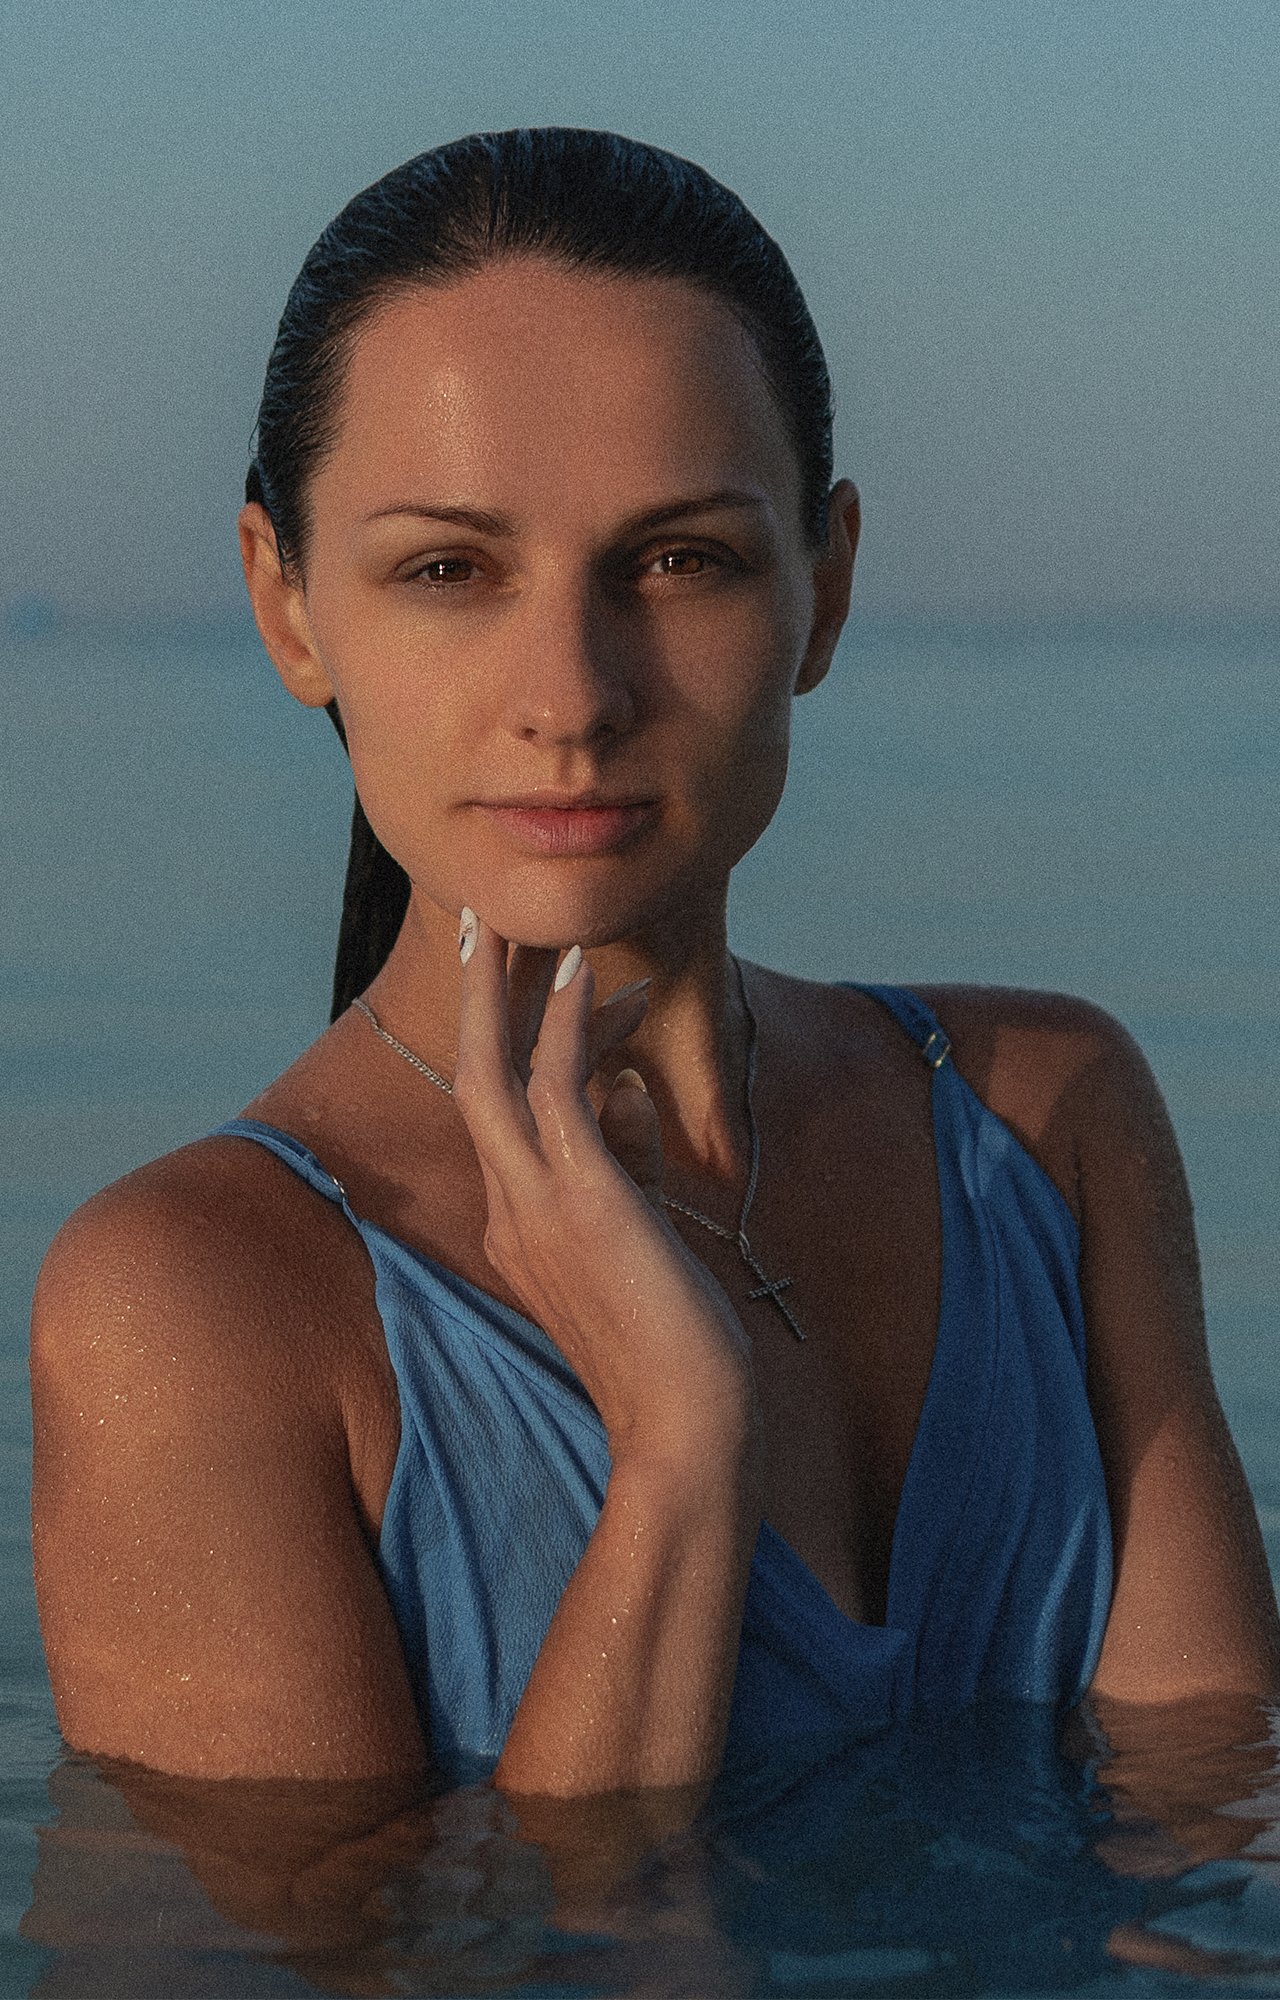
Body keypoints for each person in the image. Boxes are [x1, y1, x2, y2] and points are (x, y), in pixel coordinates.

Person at [29, 128, 1280, 1810]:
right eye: (450, 570)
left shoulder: (1046, 1122)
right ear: (289, 605)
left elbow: (1212, 1849)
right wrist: (684, 1460)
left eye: (679, 558)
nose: (572, 691)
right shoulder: (200, 1300)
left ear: (823, 591)